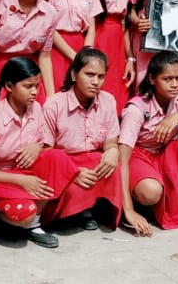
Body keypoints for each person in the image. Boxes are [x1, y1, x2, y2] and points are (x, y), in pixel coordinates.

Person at [0, 58, 79, 249]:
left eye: (37, 86)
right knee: (24, 213)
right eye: (28, 86)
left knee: (58, 158)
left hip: (26, 175)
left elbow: (45, 147)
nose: (35, 92)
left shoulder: (36, 109)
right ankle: (5, 216)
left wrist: (36, 147)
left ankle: (34, 223)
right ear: (9, 86)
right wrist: (20, 181)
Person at [118, 52, 178, 235]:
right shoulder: (137, 109)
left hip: (163, 152)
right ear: (152, 79)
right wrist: (129, 210)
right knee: (151, 193)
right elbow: (122, 160)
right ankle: (138, 203)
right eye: (167, 79)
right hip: (138, 155)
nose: (175, 84)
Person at [41, 48, 124, 231]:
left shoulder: (108, 100)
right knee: (73, 188)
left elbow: (110, 142)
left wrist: (113, 151)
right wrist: (73, 173)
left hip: (93, 159)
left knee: (114, 168)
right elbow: (46, 152)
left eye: (101, 77)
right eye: (89, 75)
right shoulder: (54, 104)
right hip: (64, 164)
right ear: (74, 74)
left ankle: (92, 210)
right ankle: (77, 213)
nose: (95, 82)